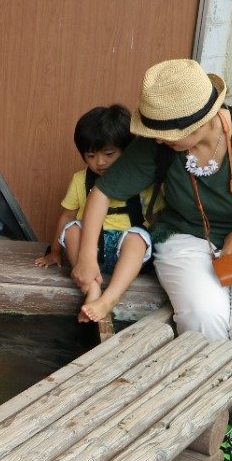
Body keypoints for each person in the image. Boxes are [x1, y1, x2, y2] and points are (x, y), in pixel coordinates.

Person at [73, 59, 232, 461]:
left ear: (204, 120)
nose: (159, 142)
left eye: (169, 135)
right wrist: (87, 256)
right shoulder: (160, 145)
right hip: (189, 236)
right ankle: (211, 406)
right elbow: (101, 194)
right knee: (204, 316)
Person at [34, 104, 155, 323]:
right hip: (88, 255)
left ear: (127, 150)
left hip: (125, 253)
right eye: (90, 156)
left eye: (109, 154)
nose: (100, 162)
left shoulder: (141, 181)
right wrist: (54, 251)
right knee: (71, 230)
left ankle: (109, 298)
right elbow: (67, 216)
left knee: (138, 237)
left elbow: (156, 218)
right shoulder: (81, 180)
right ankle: (91, 288)